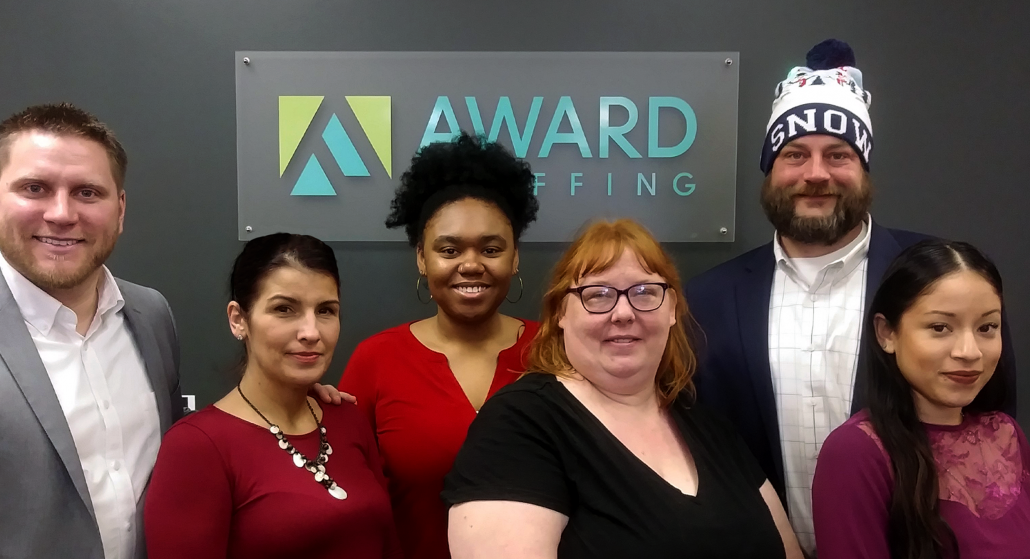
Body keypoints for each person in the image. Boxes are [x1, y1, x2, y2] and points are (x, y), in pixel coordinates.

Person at [685, 40, 1018, 553]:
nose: (816, 173)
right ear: (770, 170)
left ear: (863, 169)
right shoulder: (706, 301)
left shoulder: (941, 281)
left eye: (838, 155)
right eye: (795, 154)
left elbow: (991, 432)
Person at [443, 219, 803, 559]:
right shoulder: (519, 427)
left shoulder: (710, 426)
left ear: (672, 310)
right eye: (598, 294)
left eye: (645, 292)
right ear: (561, 314)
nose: (624, 312)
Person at [339, 131, 540, 559]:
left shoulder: (557, 351)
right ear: (421, 258)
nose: (471, 264)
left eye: (491, 249)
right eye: (449, 250)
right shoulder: (376, 360)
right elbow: (345, 498)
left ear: (515, 257)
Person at [144, 233, 402, 559]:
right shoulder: (196, 447)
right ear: (239, 320)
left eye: (325, 310)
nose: (311, 332)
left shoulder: (348, 419)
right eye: (284, 309)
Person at [0, 103, 182, 559]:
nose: (61, 214)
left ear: (119, 209)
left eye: (87, 192)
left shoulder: (152, 314)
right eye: (35, 188)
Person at [813, 240, 1030, 558]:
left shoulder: (1006, 433)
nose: (969, 352)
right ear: (887, 333)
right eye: (940, 327)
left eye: (987, 327)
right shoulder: (856, 453)